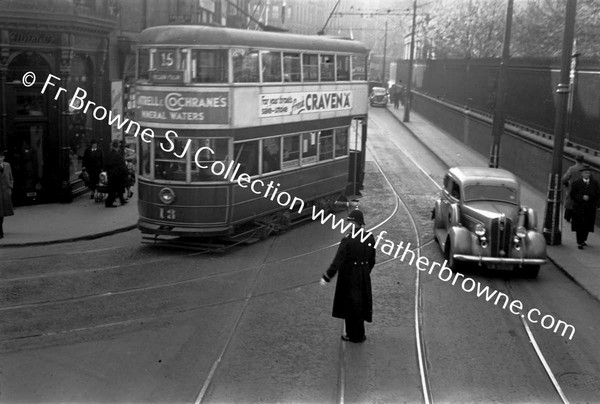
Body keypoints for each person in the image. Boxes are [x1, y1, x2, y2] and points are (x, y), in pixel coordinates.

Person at [320, 209, 376, 343]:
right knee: (361, 302)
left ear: (354, 223)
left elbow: (337, 262)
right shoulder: (370, 237)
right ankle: (360, 333)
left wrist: (327, 277)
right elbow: (372, 259)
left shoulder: (347, 240)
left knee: (351, 305)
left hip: (350, 276)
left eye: (349, 222)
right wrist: (365, 271)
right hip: (363, 274)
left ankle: (353, 335)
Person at [569, 165, 600, 249]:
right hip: (579, 207)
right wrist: (581, 197)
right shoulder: (576, 183)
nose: (587, 174)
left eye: (589, 173)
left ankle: (583, 239)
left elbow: (597, 195)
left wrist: (597, 204)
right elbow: (572, 195)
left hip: (590, 208)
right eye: (586, 173)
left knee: (587, 224)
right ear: (582, 174)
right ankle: (579, 241)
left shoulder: (595, 184)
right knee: (579, 224)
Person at [104, 140, 128, 208]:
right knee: (116, 189)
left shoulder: (109, 154)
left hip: (111, 174)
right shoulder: (118, 155)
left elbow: (105, 164)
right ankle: (109, 203)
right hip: (117, 174)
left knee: (114, 189)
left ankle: (121, 200)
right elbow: (122, 165)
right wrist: (126, 172)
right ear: (117, 147)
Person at [562, 154, 584, 222]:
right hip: (581, 190)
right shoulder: (584, 170)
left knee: (570, 203)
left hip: (572, 189)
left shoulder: (572, 169)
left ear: (575, 160)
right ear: (582, 161)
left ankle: (568, 217)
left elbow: (565, 178)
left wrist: (565, 182)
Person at [0, 150, 15, 239]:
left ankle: (1, 231)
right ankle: (0, 232)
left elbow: (11, 177)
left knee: (3, 213)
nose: (0, 159)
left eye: (1, 157)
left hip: (5, 191)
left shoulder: (7, 165)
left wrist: (10, 187)